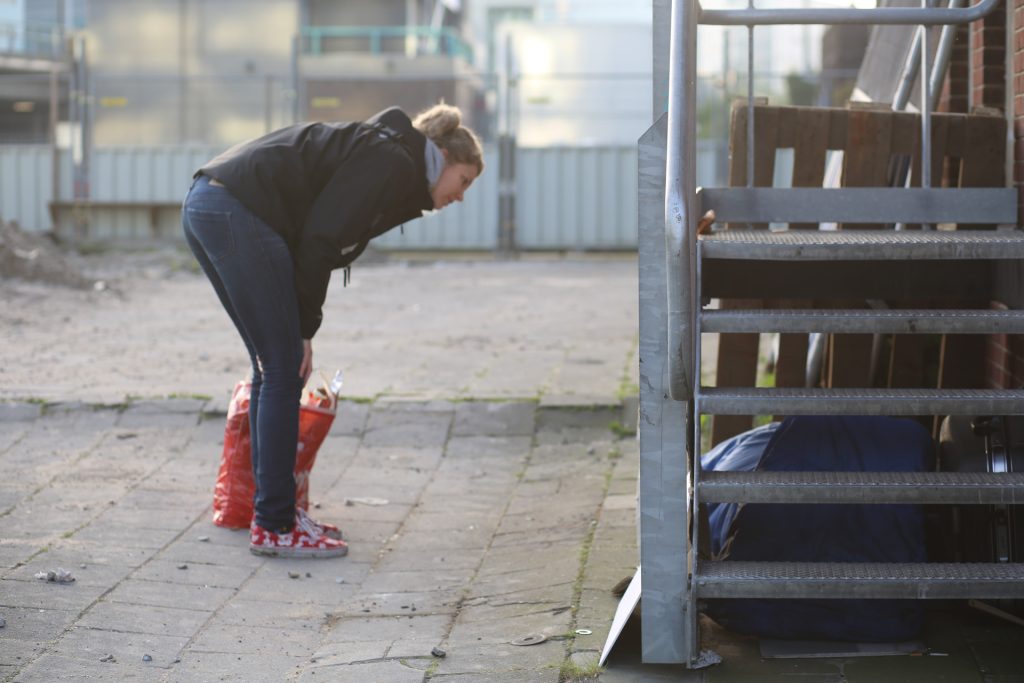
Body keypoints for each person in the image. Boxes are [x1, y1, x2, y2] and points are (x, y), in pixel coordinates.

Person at [182, 103, 484, 558]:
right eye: (463, 181)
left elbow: (315, 231)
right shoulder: (390, 161)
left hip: (212, 202)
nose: (460, 196)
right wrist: (305, 329)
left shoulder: (387, 154)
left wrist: (300, 329)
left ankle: (267, 513)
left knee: (273, 367)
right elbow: (321, 240)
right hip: (235, 208)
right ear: (441, 155)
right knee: (284, 368)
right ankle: (276, 525)